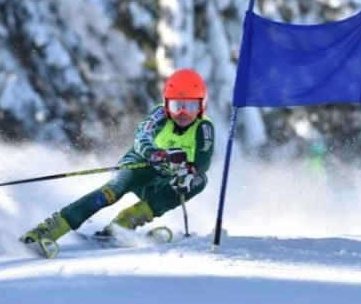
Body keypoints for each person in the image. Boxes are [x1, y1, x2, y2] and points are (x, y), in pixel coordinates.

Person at [20, 68, 215, 256]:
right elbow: (142, 136)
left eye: (190, 107)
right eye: (176, 106)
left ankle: (125, 223)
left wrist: (191, 170)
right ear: (166, 104)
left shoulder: (204, 127)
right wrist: (153, 153)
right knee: (111, 191)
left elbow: (204, 157)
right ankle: (48, 230)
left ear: (201, 106)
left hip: (165, 180)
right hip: (139, 165)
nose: (182, 114)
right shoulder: (160, 114)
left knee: (199, 180)